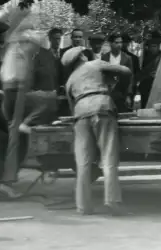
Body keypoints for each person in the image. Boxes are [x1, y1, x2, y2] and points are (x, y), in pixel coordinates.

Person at [62, 46, 131, 215]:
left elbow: (71, 106)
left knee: (83, 163)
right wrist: (115, 86)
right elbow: (126, 71)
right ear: (82, 56)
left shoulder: (70, 81)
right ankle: (112, 202)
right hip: (102, 106)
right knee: (108, 157)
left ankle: (83, 206)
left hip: (80, 113)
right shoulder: (95, 64)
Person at [0, 26, 57, 198]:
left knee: (16, 140)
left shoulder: (20, 52)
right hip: (16, 94)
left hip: (16, 94)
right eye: (34, 47)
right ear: (26, 43)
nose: (35, 51)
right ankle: (27, 123)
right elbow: (15, 79)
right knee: (48, 99)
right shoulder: (16, 53)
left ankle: (9, 180)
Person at [102, 33, 138, 111]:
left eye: (120, 42)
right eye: (116, 42)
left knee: (123, 114)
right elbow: (102, 76)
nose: (119, 45)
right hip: (108, 92)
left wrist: (128, 95)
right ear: (110, 43)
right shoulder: (104, 57)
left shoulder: (127, 58)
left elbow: (130, 77)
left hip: (122, 92)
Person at [137, 32, 161, 109]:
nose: (153, 48)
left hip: (158, 86)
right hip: (146, 86)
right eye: (151, 46)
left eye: (155, 46)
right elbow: (140, 72)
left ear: (159, 47)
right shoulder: (145, 57)